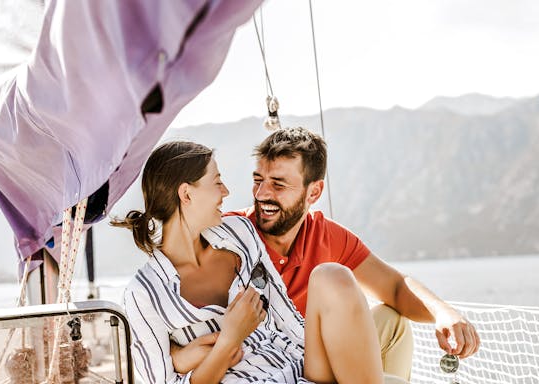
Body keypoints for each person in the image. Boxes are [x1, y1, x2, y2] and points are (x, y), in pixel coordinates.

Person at [173, 127, 480, 381]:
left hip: (314, 357)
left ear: (314, 193)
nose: (262, 194)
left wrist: (444, 313)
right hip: (269, 368)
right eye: (258, 181)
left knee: (393, 320)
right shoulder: (228, 236)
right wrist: (181, 354)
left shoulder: (327, 235)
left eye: (278, 184)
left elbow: (397, 288)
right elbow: (172, 313)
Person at [114, 141, 390, 384]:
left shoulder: (239, 232)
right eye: (217, 181)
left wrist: (333, 358)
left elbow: (288, 318)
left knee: (332, 276)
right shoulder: (143, 294)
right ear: (186, 194)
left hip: (298, 367)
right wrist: (229, 340)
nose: (226, 191)